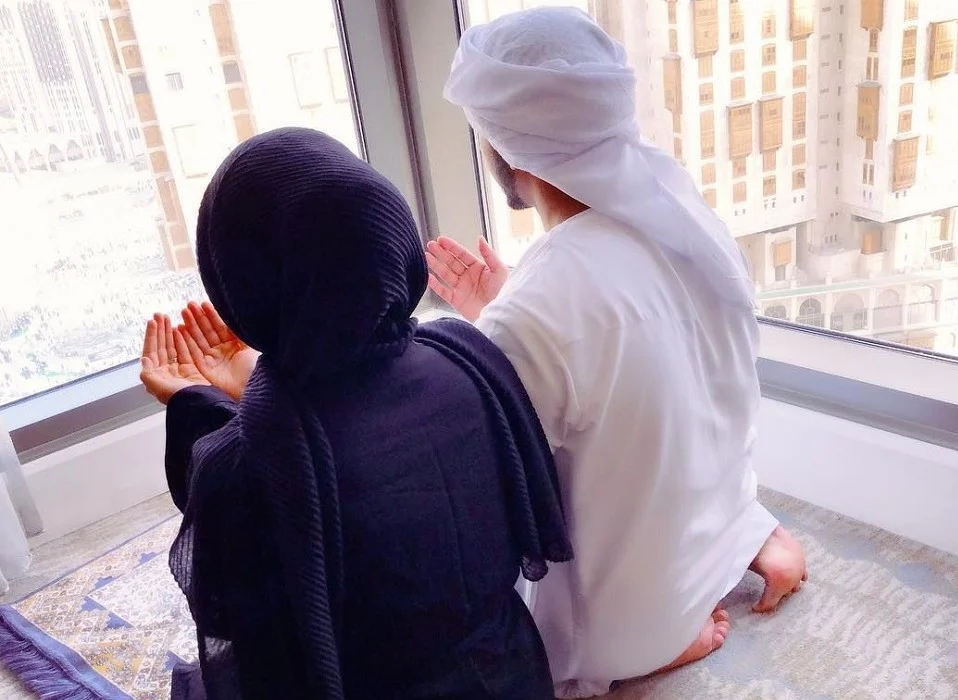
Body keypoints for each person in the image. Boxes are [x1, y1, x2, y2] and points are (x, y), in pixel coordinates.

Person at [425, 7, 807, 698]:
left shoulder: (544, 299)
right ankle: (744, 541)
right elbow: (656, 372)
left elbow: (477, 491)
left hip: (629, 626)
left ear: (506, 147)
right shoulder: (683, 218)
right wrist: (502, 325)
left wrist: (500, 336)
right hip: (714, 532)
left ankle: (647, 643)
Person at [138, 127, 573, 699]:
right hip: (513, 676)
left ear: (238, 285)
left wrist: (193, 403)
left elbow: (230, 601)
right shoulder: (470, 361)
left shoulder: (246, 463)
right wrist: (249, 396)